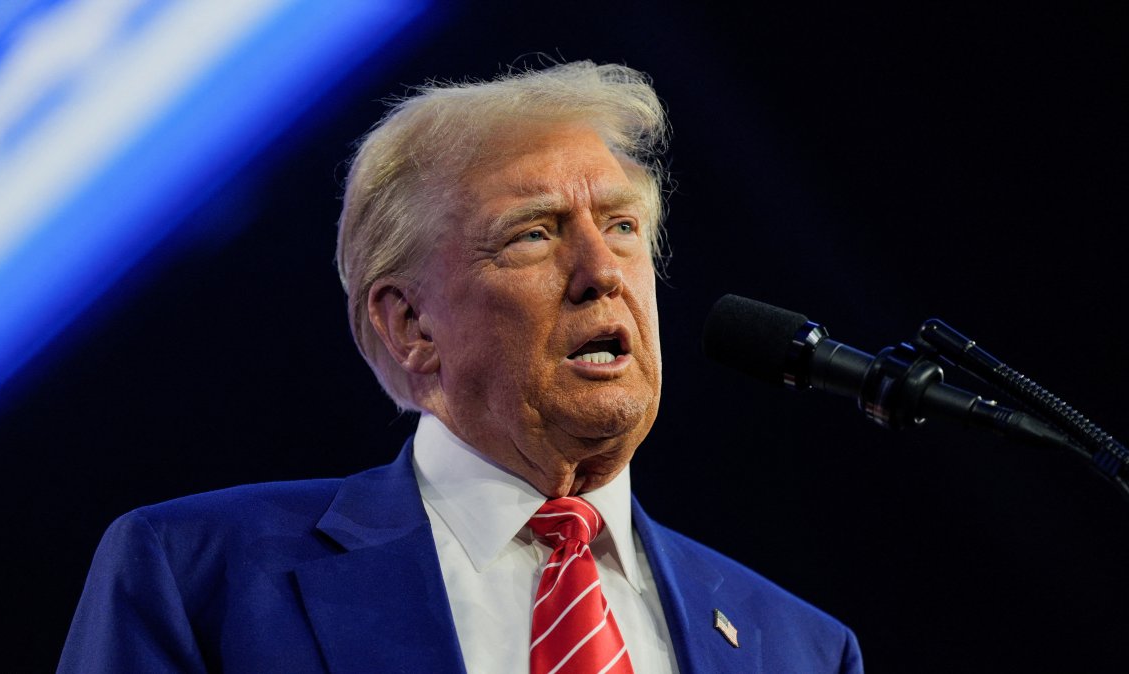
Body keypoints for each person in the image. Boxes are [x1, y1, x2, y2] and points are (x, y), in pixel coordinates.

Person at [58, 61, 863, 673]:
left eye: (621, 226)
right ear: (410, 324)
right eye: (535, 234)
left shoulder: (798, 649)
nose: (601, 270)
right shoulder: (203, 577)